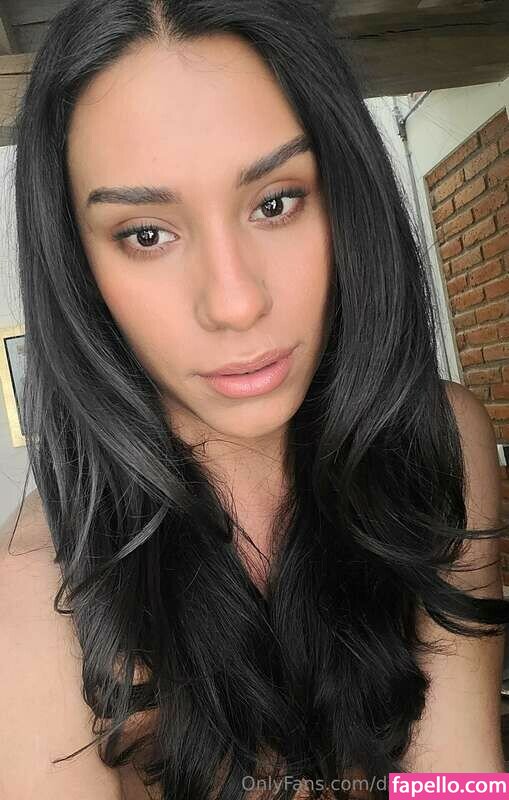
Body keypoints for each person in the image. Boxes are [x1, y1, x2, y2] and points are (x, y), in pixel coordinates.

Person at [1, 1, 508, 798]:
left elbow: (456, 774)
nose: (235, 303)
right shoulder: (39, 586)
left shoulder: (434, 440)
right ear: (78, 267)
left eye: (275, 202)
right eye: (146, 234)